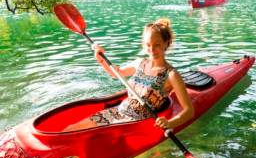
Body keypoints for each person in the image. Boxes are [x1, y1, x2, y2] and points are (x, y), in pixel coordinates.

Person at [64, 19, 194, 132]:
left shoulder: (171, 75)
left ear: (167, 43)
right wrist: (101, 59)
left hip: (134, 124)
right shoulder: (140, 63)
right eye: (148, 45)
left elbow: (189, 111)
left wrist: (170, 123)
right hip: (118, 112)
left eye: (157, 45)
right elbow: (116, 74)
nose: (152, 50)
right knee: (70, 128)